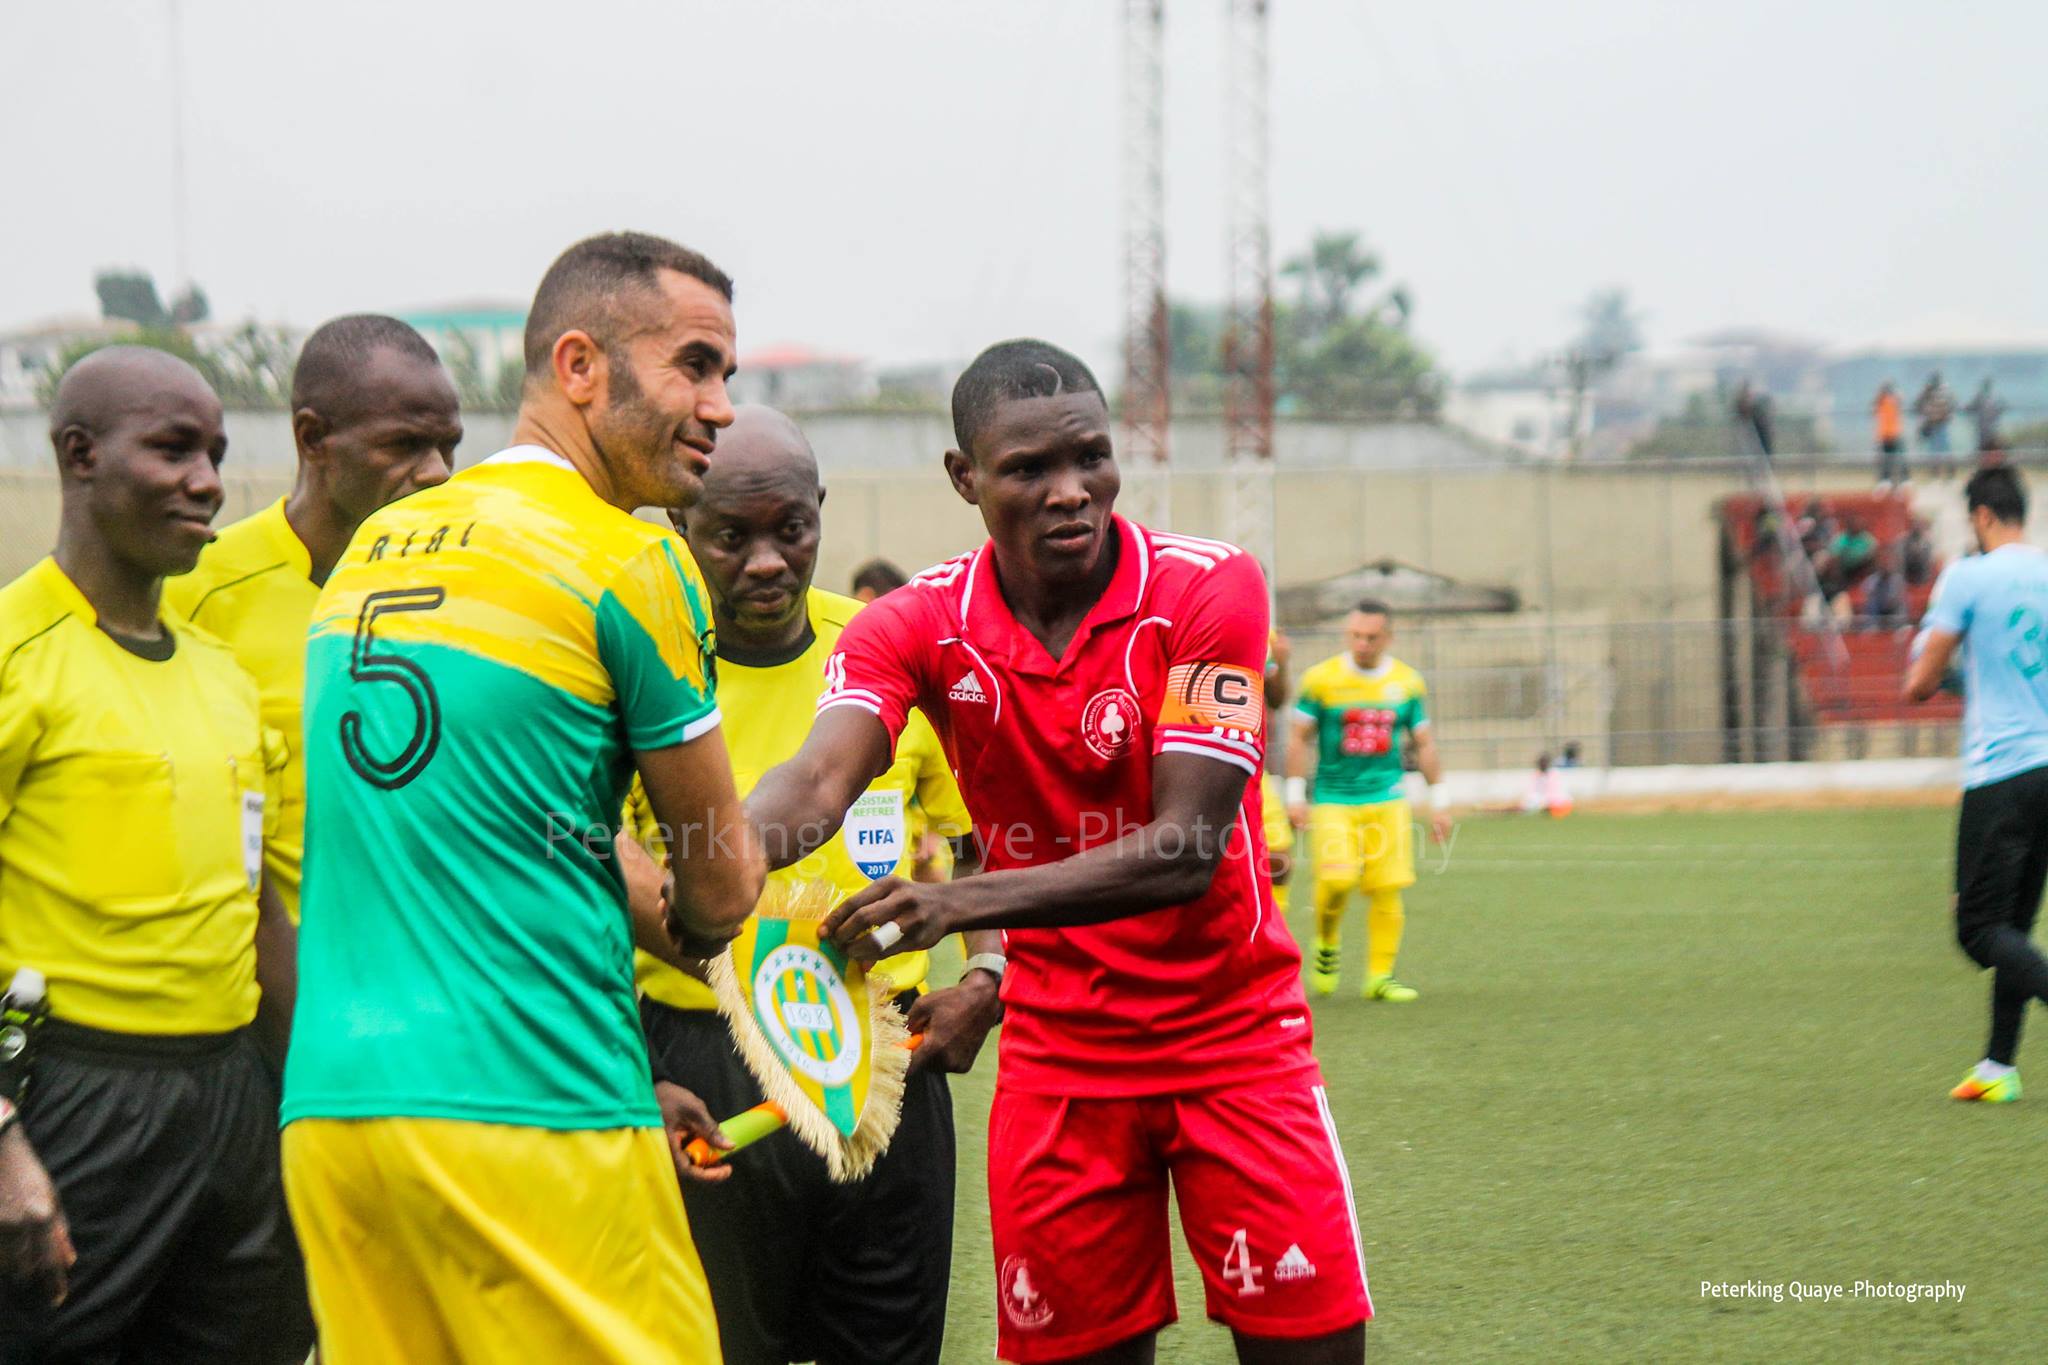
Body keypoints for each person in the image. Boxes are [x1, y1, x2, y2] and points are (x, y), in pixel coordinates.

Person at [747, 340, 1370, 1365]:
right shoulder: (910, 626)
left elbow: (1184, 848)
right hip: (1061, 1066)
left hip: (1234, 1044)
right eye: (1028, 470)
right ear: (964, 479)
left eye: (1090, 458)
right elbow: (817, 781)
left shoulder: (1208, 591)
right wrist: (713, 857)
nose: (1070, 492)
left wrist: (961, 904)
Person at [279, 232, 766, 1364]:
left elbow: (519, 827)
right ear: (580, 365)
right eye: (694, 364)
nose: (722, 406)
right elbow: (721, 882)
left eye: (725, 376)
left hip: (335, 1115)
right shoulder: (628, 561)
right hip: (533, 1107)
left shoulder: (372, 547)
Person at [634, 406, 998, 1365]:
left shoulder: (891, 652)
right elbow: (588, 876)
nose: (765, 561)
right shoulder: (637, 666)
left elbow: (980, 849)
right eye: (731, 534)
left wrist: (985, 980)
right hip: (704, 1063)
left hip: (889, 1064)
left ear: (820, 513)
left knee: (886, 1347)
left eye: (789, 528)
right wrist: (638, 1067)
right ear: (681, 526)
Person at [0, 347, 311, 1363]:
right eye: (173, 450)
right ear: (80, 455)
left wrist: (318, 1099)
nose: (208, 481)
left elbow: (260, 918)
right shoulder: (16, 653)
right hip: (74, 1097)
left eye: (216, 454)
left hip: (231, 1098)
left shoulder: (223, 678)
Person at [166, 314, 461, 919]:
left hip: (433, 983)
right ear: (312, 438)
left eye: (448, 445)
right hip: (274, 993)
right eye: (405, 444)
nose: (438, 471)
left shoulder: (465, 597)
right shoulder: (194, 595)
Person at [1904, 465, 2048, 1103]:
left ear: (1982, 517)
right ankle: (1997, 1067)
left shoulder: (1969, 575)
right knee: (2014, 922)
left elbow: (1919, 682)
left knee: (1977, 929)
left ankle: (1999, 1064)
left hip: (2002, 772)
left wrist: (1953, 676)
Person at [1285, 601, 1453, 1001]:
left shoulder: (1407, 683)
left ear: (1388, 638)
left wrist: (1439, 801)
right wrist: (1294, 795)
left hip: (1389, 798)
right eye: (1355, 635)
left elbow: (1424, 742)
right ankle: (1326, 943)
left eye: (1371, 637)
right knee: (1337, 880)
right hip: (1333, 798)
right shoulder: (1321, 680)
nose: (1362, 643)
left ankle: (1380, 976)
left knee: (1387, 888)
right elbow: (1298, 739)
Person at [1915, 372, 1957, 477]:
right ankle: (1935, 471)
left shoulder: (1945, 391)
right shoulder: (1928, 392)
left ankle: (1950, 470)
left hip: (1942, 424)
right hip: (1932, 425)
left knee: (1945, 449)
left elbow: (1952, 405)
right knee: (1934, 451)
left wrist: (1947, 415)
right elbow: (1918, 404)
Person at [1873, 381, 1906, 487]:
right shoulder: (1880, 401)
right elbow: (1874, 406)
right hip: (1884, 435)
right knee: (1884, 460)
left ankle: (1902, 480)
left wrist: (1894, 393)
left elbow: (1901, 399)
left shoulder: (1894, 400)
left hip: (1894, 434)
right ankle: (1885, 480)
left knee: (1898, 459)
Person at [1967, 379, 2005, 454]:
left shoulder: (1993, 398)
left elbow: (2001, 408)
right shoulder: (1981, 397)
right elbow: (1971, 407)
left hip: (1990, 427)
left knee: (1990, 445)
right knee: (1983, 446)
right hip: (1984, 427)